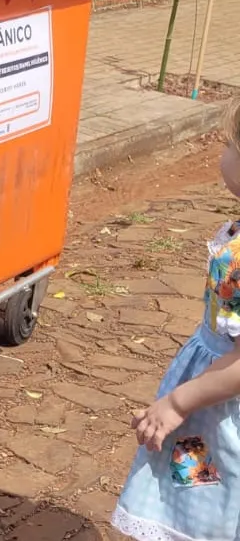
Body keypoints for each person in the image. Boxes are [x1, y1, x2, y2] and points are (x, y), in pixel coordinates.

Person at [111, 103, 240, 541]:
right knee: (196, 488)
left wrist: (178, 404)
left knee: (209, 500)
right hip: (208, 403)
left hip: (216, 408)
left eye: (229, 144)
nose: (222, 153)